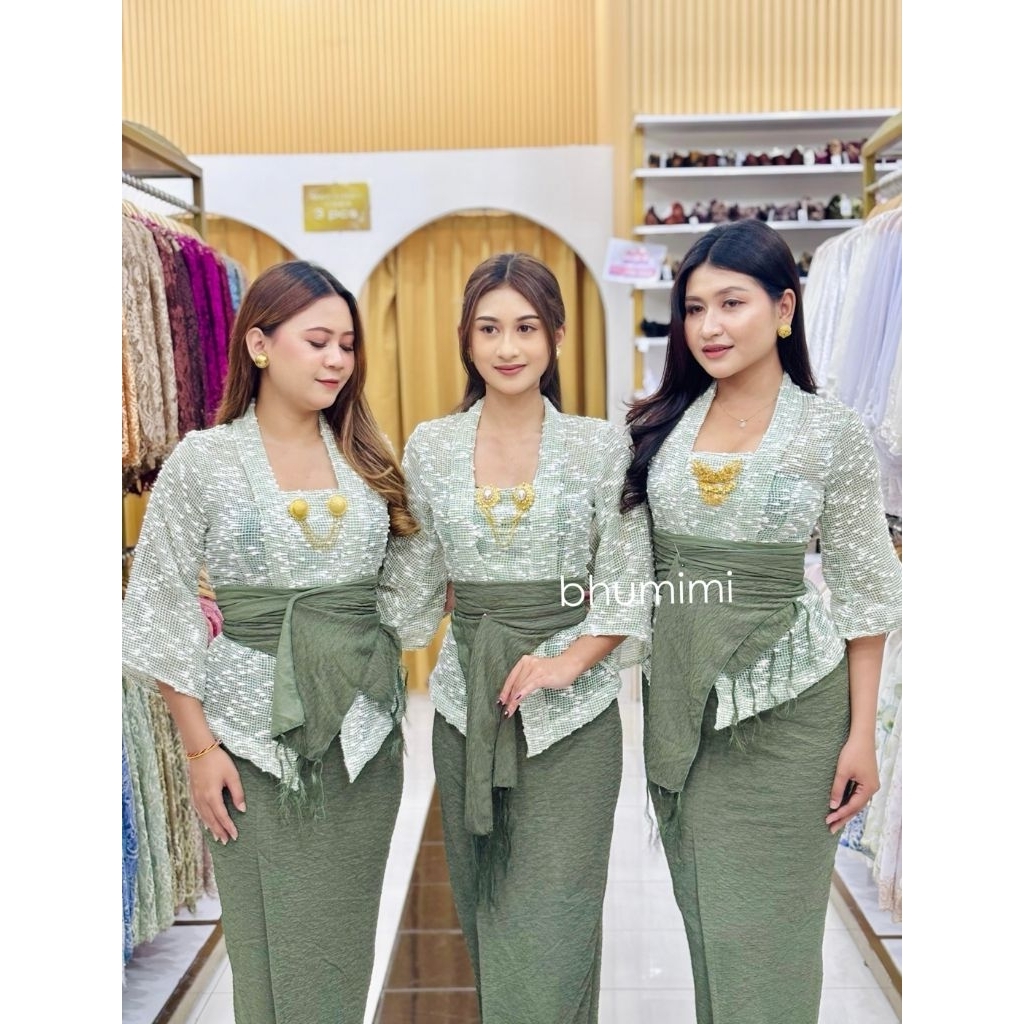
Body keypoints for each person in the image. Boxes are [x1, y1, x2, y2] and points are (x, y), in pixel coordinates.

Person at [121, 260, 419, 1024]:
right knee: (264, 955)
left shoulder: (368, 459)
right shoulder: (204, 459)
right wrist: (199, 750)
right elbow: (159, 604)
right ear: (258, 344)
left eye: (346, 345)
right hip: (248, 746)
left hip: (362, 742)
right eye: (317, 341)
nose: (336, 360)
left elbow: (407, 592)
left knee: (339, 949)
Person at [621, 218, 902, 1024]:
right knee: (710, 930)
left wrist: (861, 737)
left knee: (770, 943)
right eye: (694, 307)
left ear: (783, 309)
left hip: (795, 718)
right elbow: (625, 572)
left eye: (731, 303)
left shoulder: (832, 431)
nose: (709, 326)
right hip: (683, 716)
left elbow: (863, 590)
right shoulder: (657, 427)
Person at [385, 252, 653, 1023]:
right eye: (490, 328)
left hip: (575, 720)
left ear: (557, 337)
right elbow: (411, 577)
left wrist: (568, 662)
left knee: (558, 915)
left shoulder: (601, 445)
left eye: (527, 328)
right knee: (486, 907)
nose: (508, 347)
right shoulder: (432, 445)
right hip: (466, 708)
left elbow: (628, 578)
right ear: (466, 340)